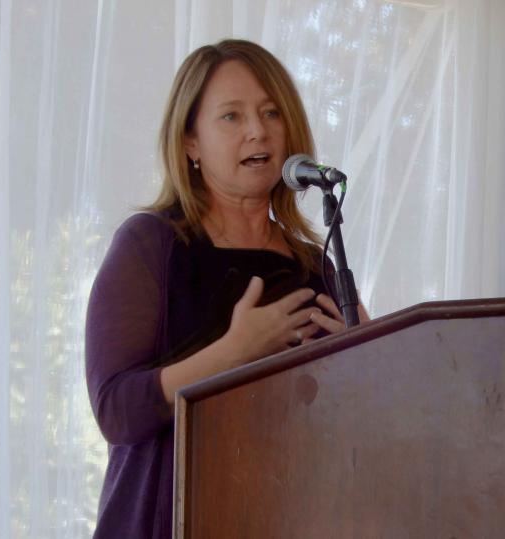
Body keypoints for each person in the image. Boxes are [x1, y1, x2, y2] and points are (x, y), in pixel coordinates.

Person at [85, 39, 367, 538]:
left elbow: (360, 423)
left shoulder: (317, 266)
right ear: (190, 141)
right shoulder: (151, 244)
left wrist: (372, 351)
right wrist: (235, 352)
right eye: (232, 117)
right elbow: (115, 410)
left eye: (271, 112)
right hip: (167, 518)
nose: (258, 130)